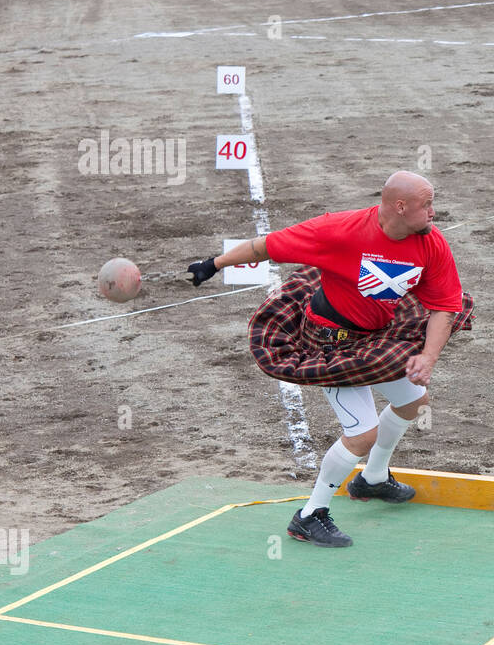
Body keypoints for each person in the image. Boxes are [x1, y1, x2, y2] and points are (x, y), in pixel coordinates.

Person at [183, 172, 475, 548]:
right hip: (330, 343)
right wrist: (215, 263)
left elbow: (445, 306)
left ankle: (372, 478)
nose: (434, 212)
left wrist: (428, 357)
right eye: (426, 205)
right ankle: (309, 515)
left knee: (414, 403)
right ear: (400, 207)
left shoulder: (431, 243)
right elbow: (266, 247)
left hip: (375, 337)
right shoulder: (340, 231)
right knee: (362, 433)